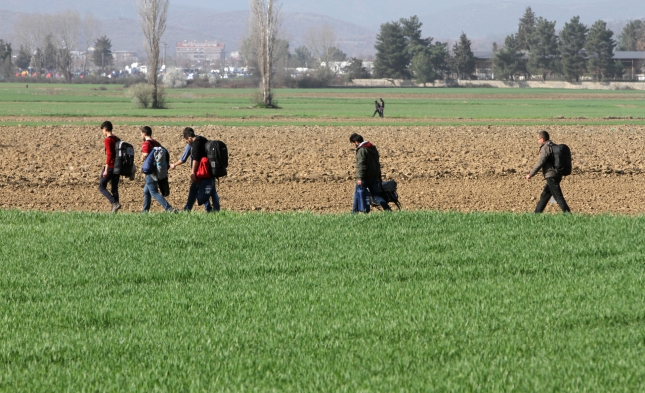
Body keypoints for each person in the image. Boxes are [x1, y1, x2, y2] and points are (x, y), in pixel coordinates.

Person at [174, 127, 220, 212]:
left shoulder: (195, 144)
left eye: (187, 141)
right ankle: (216, 210)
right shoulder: (203, 139)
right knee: (212, 191)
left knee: (195, 190)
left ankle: (188, 209)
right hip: (210, 170)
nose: (187, 144)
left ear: (189, 138)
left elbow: (195, 159)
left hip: (201, 172)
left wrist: (192, 172)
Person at [525, 130, 571, 213]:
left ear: (542, 139)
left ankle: (568, 215)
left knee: (558, 196)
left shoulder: (546, 147)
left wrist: (530, 174)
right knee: (545, 195)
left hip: (551, 175)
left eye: (538, 139)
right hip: (556, 174)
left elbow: (540, 162)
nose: (537, 141)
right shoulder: (552, 146)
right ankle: (536, 214)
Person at [350, 133, 391, 213]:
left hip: (365, 178)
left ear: (356, 142)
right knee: (376, 196)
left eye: (352, 143)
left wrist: (359, 178)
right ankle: (388, 210)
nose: (353, 145)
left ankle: (354, 213)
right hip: (374, 177)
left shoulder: (362, 150)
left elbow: (361, 165)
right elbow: (377, 163)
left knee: (357, 195)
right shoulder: (372, 148)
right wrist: (378, 175)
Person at [140, 126, 176, 213]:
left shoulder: (146, 143)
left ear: (144, 134)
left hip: (151, 171)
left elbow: (145, 155)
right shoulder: (156, 142)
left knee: (153, 192)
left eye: (141, 133)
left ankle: (169, 209)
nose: (140, 135)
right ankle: (144, 212)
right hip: (157, 169)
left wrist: (141, 158)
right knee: (146, 191)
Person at [98, 120, 121, 213]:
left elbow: (110, 155)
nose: (102, 132)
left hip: (111, 166)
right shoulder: (117, 138)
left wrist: (106, 169)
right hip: (118, 166)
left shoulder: (108, 140)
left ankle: (114, 202)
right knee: (114, 187)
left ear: (105, 129)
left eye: (102, 130)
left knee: (101, 186)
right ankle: (114, 211)